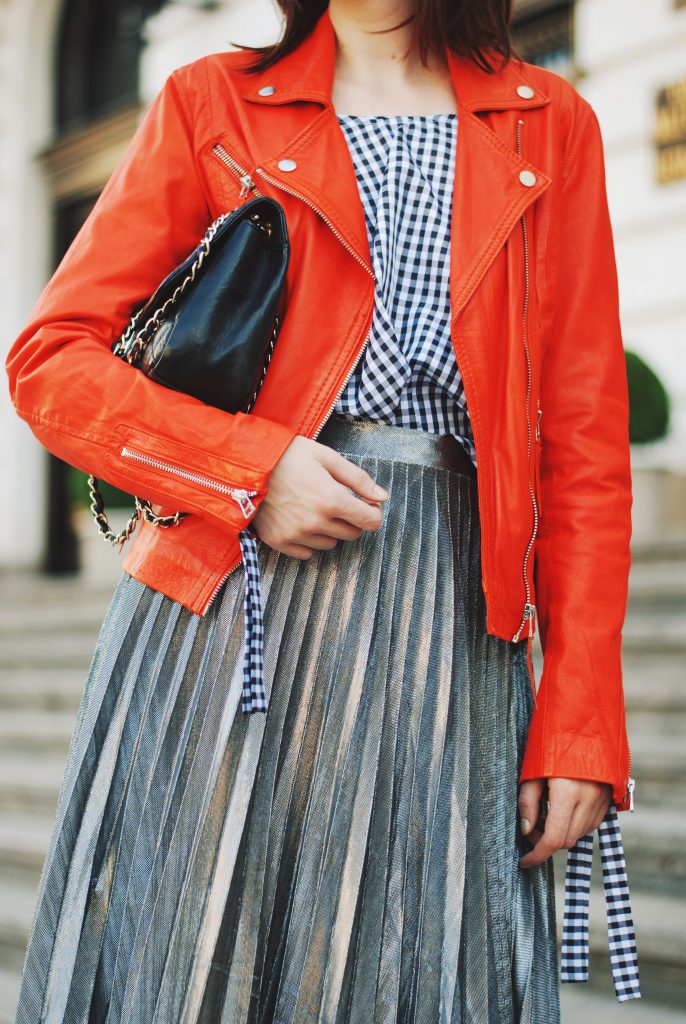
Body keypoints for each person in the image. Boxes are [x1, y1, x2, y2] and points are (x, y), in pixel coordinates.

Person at [6, 1, 640, 1021]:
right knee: (199, 954)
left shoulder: (547, 121)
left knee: (415, 968)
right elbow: (52, 364)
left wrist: (578, 721)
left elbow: (583, 445)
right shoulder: (211, 98)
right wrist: (249, 470)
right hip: (225, 605)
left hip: (442, 618)